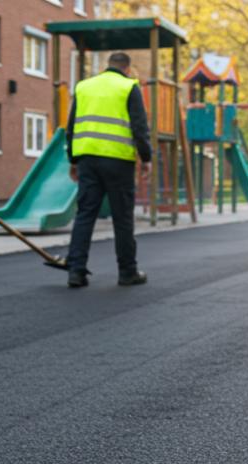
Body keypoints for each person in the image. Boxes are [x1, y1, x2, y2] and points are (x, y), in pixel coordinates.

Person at [63, 51, 153, 289]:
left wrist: (73, 159)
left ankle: (76, 271)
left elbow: (71, 127)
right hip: (118, 161)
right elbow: (139, 126)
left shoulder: (84, 87)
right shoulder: (128, 87)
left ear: (107, 66)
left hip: (88, 159)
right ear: (127, 68)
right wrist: (146, 158)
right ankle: (127, 272)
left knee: (85, 215)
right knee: (122, 218)